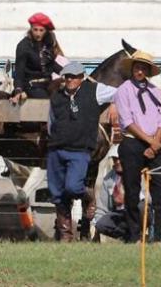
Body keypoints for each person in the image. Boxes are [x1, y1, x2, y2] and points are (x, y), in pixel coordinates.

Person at [46, 61, 117, 242]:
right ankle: (65, 235)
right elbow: (50, 122)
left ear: (81, 77)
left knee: (73, 186)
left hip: (79, 150)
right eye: (67, 76)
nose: (69, 79)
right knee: (57, 194)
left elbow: (120, 92)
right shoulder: (57, 96)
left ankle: (88, 196)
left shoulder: (94, 90)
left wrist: (115, 104)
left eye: (73, 76)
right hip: (56, 149)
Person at [113, 50, 161, 243]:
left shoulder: (155, 91)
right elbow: (127, 121)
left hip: (154, 144)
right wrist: (149, 141)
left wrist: (155, 144)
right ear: (132, 69)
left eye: (143, 68)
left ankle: (160, 238)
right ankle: (134, 235)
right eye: (137, 67)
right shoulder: (123, 90)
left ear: (147, 70)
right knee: (131, 189)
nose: (140, 71)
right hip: (132, 142)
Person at [11, 12, 65, 103]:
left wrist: (68, 72)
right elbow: (19, 72)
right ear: (30, 29)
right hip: (32, 86)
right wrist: (18, 90)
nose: (38, 33)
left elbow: (51, 65)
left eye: (41, 30)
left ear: (46, 31)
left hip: (48, 84)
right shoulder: (23, 46)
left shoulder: (48, 43)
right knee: (48, 102)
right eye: (35, 30)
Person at [93, 145, 136, 241]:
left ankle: (139, 235)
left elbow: (148, 200)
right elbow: (102, 206)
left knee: (141, 207)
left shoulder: (139, 173)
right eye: (114, 159)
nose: (117, 162)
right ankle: (127, 236)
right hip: (119, 214)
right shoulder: (109, 179)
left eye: (120, 159)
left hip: (137, 212)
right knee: (101, 224)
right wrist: (96, 227)